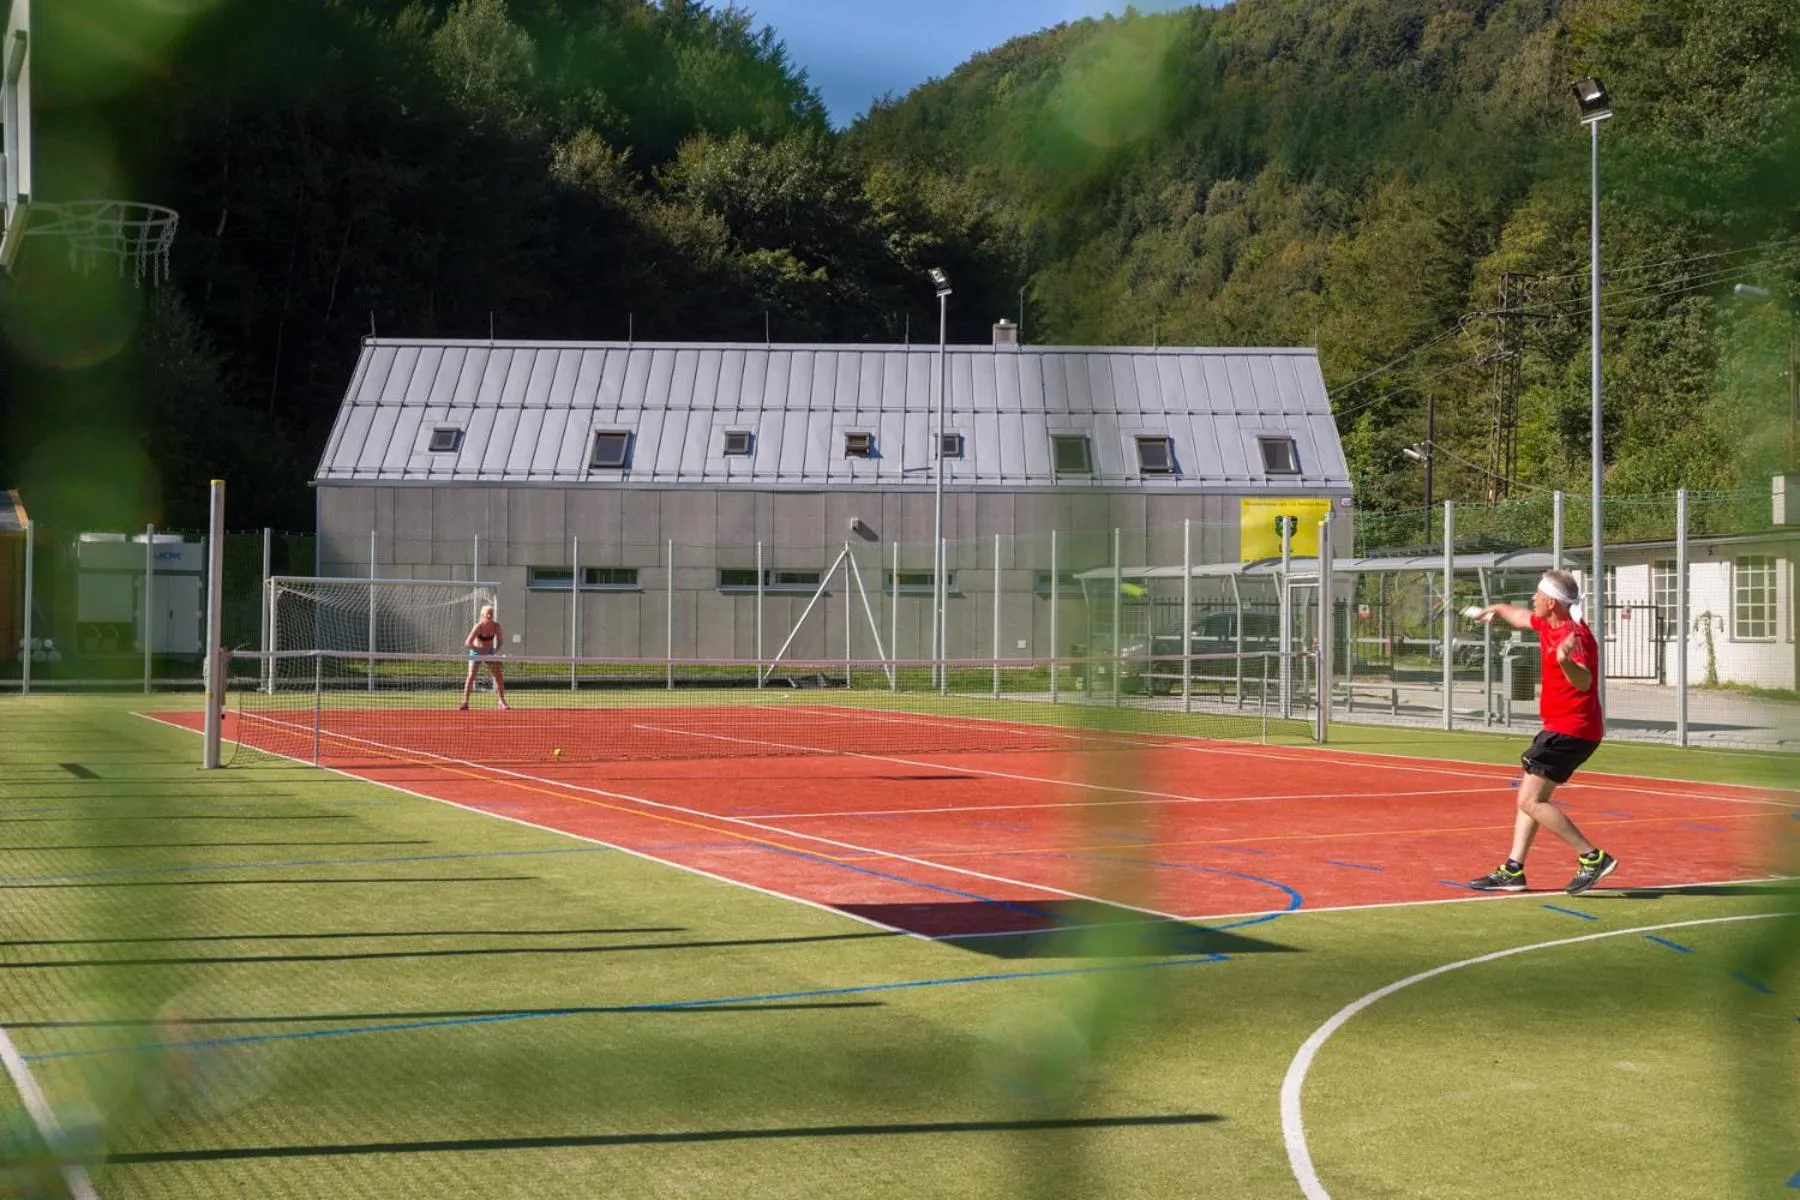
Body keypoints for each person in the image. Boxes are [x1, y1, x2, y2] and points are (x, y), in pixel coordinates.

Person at [1467, 569, 1618, 895]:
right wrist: (1497, 607)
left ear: (1550, 602)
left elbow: (1585, 681)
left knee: (1530, 799)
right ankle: (1513, 870)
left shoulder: (1575, 638)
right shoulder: (1547, 623)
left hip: (1572, 730)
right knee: (1532, 799)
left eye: (1537, 595)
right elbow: (1521, 617)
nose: (1532, 599)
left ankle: (1592, 857)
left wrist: (1564, 661)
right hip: (1561, 729)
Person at [459, 604, 510, 711]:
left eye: (492, 613)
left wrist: (495, 652)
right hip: (476, 652)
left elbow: (500, 641)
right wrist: (479, 651)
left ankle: (501, 701)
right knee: (471, 676)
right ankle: (465, 702)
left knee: (498, 675)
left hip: (489, 653)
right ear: (482, 615)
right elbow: (467, 643)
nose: (490, 615)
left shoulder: (496, 626)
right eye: (488, 613)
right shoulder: (478, 626)